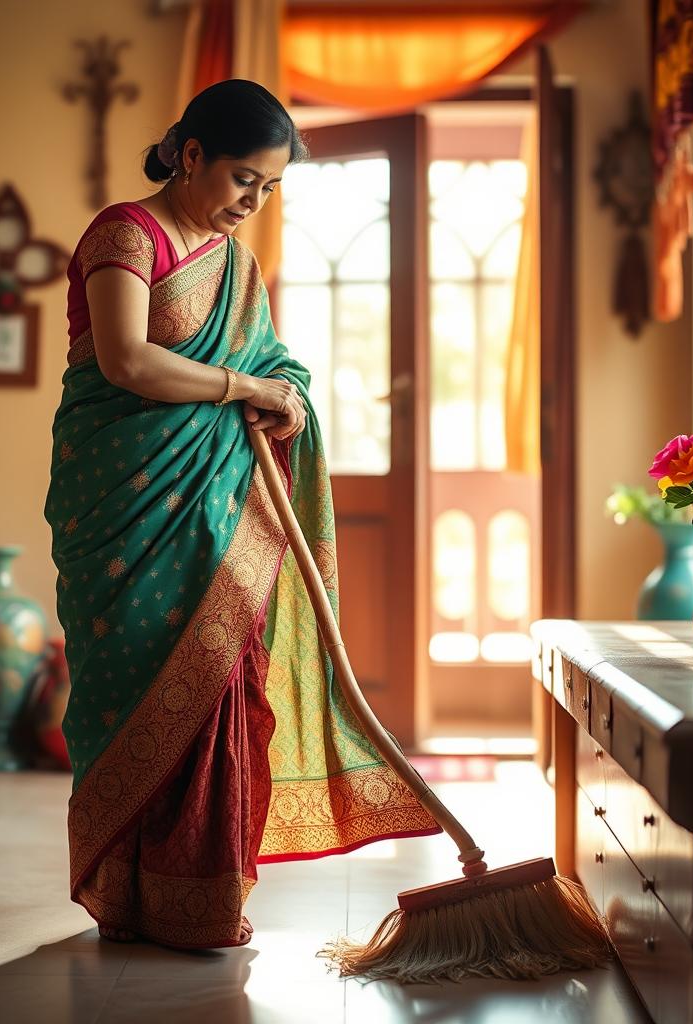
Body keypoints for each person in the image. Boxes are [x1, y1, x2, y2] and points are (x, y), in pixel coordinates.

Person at [44, 79, 439, 950]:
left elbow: (273, 363)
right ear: (190, 156)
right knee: (134, 683)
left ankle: (202, 895)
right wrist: (242, 387)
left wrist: (284, 393)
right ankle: (131, 895)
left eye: (269, 189)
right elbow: (126, 361)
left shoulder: (238, 268)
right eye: (240, 180)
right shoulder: (125, 232)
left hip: (217, 503)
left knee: (222, 674)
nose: (252, 204)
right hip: (122, 499)